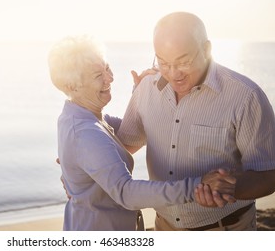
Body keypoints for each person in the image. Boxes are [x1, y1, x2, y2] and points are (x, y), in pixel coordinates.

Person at [48, 34, 236, 231]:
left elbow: (137, 129)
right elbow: (127, 193)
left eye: (107, 68)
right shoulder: (85, 132)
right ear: (71, 86)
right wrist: (197, 186)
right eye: (98, 76)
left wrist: (142, 93)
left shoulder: (84, 116)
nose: (110, 78)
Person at [117, 12, 275, 231]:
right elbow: (126, 144)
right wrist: (79, 159)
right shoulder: (145, 90)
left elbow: (268, 174)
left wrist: (228, 187)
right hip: (164, 228)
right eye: (163, 62)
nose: (173, 74)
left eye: (183, 62)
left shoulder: (246, 97)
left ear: (207, 49)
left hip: (225, 230)